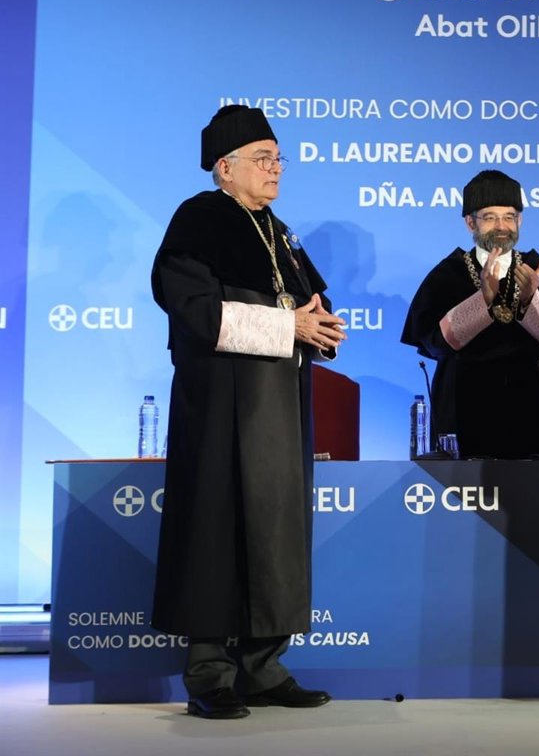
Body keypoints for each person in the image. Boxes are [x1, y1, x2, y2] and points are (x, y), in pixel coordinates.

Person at [151, 104, 346, 719]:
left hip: (279, 407)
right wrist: (290, 326)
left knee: (276, 529)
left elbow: (307, 303)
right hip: (220, 406)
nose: (276, 168)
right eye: (263, 158)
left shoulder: (279, 231)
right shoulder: (199, 220)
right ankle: (210, 676)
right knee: (214, 529)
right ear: (224, 167)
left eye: (278, 158)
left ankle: (263, 668)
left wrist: (320, 327)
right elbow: (194, 310)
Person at [400, 170, 539, 459]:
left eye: (509, 217)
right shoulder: (448, 274)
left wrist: (532, 299)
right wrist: (482, 300)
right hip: (463, 416)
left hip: (536, 419)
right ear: (470, 222)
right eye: (490, 217)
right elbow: (434, 343)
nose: (502, 226)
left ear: (520, 221)